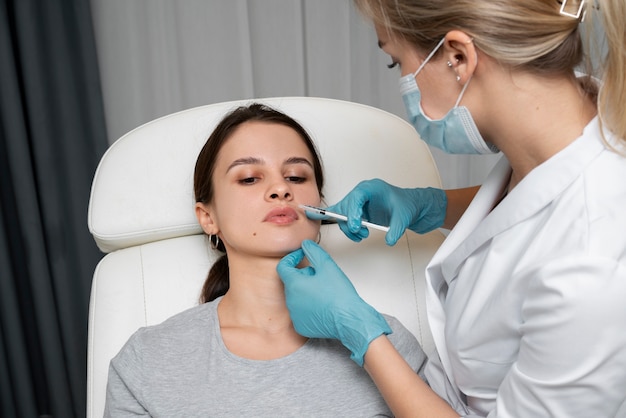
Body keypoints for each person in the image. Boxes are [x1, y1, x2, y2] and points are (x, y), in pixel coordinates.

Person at [277, 0, 626, 417]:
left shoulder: (595, 262)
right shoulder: (577, 120)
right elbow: (535, 207)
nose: (279, 193)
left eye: (395, 62)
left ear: (457, 57)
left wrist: (361, 333)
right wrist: (435, 206)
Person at [103, 103, 427, 416]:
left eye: (297, 177)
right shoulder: (147, 361)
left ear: (322, 208)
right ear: (207, 217)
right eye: (248, 178)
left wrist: (364, 336)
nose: (280, 188)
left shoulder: (385, 342)